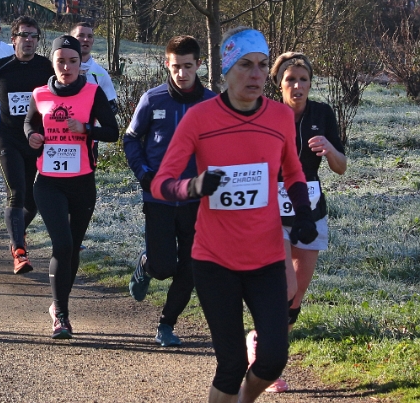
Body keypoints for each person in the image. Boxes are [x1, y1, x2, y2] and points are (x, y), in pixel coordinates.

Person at [149, 27, 317, 402]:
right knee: (231, 364)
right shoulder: (200, 117)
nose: (256, 75)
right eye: (245, 65)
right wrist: (193, 187)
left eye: (262, 65)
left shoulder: (280, 117)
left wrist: (303, 213)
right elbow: (162, 183)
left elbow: (293, 172)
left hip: (266, 258)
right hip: (215, 261)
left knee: (273, 359)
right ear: (226, 70)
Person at [260, 52, 346, 393]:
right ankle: (268, 365)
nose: (297, 86)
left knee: (296, 297)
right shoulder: (265, 112)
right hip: (273, 211)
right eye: (290, 80)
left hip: (310, 211)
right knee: (286, 287)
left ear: (311, 83)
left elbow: (341, 167)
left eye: (303, 79)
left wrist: (329, 148)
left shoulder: (322, 113)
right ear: (278, 84)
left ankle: (264, 345)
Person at [123, 35, 216, 347]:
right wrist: (144, 174)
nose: (181, 73)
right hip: (158, 196)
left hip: (196, 198)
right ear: (167, 64)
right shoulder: (153, 99)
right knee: (164, 267)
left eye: (188, 66)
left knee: (191, 266)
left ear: (199, 65)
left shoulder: (212, 103)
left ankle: (166, 324)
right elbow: (131, 139)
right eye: (176, 66)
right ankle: (147, 264)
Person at [25, 35, 119, 339]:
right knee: (62, 245)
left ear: (81, 64)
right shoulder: (40, 93)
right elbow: (29, 123)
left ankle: (59, 305)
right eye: (61, 61)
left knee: (73, 247)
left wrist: (87, 129)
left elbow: (113, 131)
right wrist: (32, 137)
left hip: (81, 182)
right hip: (48, 182)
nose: (66, 67)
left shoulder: (92, 92)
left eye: (72, 61)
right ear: (53, 63)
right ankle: (62, 316)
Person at [0, 16, 54, 274]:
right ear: (13, 39)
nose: (29, 40)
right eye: (24, 35)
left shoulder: (46, 68)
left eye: (34, 36)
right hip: (8, 137)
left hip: (36, 139)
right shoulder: (0, 68)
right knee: (16, 192)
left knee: (34, 199)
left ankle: (17, 233)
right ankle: (19, 250)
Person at [70, 22, 119, 113]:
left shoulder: (101, 73)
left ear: (93, 41)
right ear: (72, 39)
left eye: (90, 36)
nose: (86, 39)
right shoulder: (61, 70)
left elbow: (112, 108)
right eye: (81, 35)